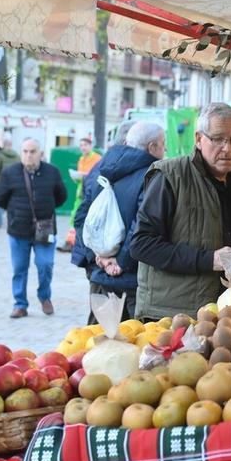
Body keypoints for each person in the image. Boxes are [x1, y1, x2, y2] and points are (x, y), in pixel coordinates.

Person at [131, 103, 231, 319]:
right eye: (218, 138)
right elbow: (141, 244)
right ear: (199, 139)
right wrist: (209, 259)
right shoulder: (170, 176)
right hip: (174, 316)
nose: (227, 148)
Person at [72, 122, 164, 322]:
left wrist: (99, 257)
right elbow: (142, 225)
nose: (165, 150)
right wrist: (120, 262)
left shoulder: (100, 169)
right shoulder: (153, 175)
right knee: (133, 341)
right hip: (134, 280)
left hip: (100, 276)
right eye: (163, 145)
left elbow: (82, 218)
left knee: (100, 344)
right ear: (152, 147)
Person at [0, 138, 68, 318]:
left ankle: (45, 297)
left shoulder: (52, 172)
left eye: (32, 151)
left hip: (45, 231)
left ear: (40, 154)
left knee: (45, 265)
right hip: (18, 231)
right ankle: (20, 304)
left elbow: (61, 196)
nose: (28, 155)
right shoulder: (10, 173)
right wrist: (15, 213)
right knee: (19, 268)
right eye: (25, 151)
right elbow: (0, 198)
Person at [60, 137, 103, 252]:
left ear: (91, 146)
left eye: (85, 145)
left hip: (91, 193)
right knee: (74, 217)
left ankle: (78, 243)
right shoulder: (81, 159)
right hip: (80, 192)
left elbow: (97, 175)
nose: (83, 147)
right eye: (81, 145)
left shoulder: (97, 159)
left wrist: (85, 176)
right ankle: (70, 242)